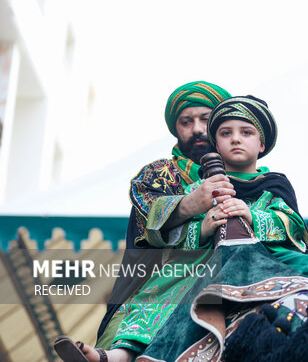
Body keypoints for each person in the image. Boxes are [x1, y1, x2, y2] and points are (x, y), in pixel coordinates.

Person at [133, 96, 308, 362]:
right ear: (216, 146)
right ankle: (124, 353)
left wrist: (253, 216)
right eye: (226, 133)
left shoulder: (275, 185)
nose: (236, 139)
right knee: (158, 299)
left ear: (261, 144)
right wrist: (203, 227)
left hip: (273, 259)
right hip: (213, 264)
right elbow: (177, 238)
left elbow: (293, 226)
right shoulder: (200, 190)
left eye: (246, 132)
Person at [54, 80, 234, 362]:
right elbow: (147, 219)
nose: (197, 129)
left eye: (205, 119)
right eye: (186, 121)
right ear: (176, 128)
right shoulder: (158, 173)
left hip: (234, 280)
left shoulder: (247, 171)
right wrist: (190, 203)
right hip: (156, 287)